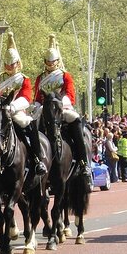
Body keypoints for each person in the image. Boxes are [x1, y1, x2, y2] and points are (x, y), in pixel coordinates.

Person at [33, 34, 92, 186]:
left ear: (57, 61)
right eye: (48, 61)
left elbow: (70, 96)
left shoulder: (65, 76)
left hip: (62, 108)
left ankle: (83, 162)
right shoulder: (40, 78)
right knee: (32, 126)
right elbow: (38, 97)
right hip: (46, 109)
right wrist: (38, 106)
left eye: (52, 61)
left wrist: (58, 103)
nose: (50, 63)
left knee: (76, 121)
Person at [0, 32, 46, 176]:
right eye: (7, 64)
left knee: (29, 125)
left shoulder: (23, 79)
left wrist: (12, 107)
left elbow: (26, 97)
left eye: (11, 64)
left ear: (17, 63)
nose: (9, 66)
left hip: (15, 111)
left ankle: (38, 159)